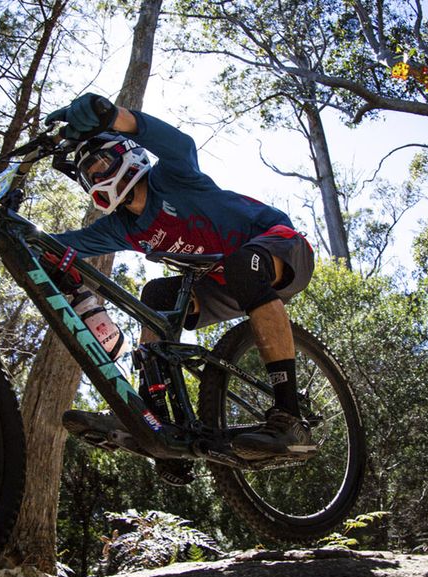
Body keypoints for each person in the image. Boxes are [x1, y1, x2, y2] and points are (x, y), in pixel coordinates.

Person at [46, 93, 316, 485]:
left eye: (102, 162)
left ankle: (289, 416)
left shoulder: (170, 177)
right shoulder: (122, 227)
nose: (99, 176)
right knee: (154, 298)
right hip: (224, 281)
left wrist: (112, 115)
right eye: (90, 175)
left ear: (126, 154)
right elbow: (61, 245)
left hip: (281, 249)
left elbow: (179, 144)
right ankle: (155, 421)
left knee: (243, 264)